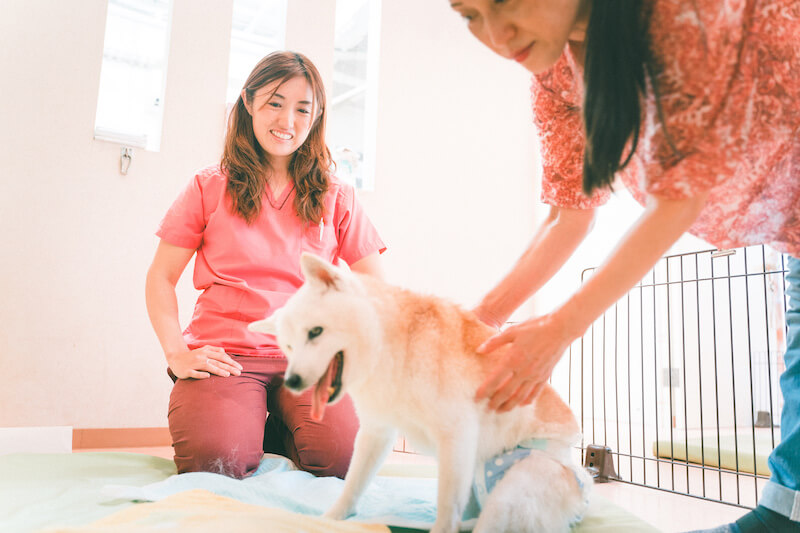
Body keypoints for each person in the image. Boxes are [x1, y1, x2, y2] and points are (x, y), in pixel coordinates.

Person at [446, 1, 799, 531]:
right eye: (468, 15)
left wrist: (559, 329)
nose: (496, 34)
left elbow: (680, 199)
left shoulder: (679, 13)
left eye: (505, 0)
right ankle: (784, 510)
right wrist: (478, 321)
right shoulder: (554, 76)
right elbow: (569, 217)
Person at [145, 51, 386, 480]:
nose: (287, 120)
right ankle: (248, 421)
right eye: (275, 102)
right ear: (249, 102)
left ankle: (274, 425)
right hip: (229, 355)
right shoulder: (209, 185)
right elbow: (161, 277)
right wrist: (177, 353)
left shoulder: (338, 195)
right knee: (215, 463)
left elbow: (374, 287)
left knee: (345, 461)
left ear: (316, 118)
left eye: (302, 109)